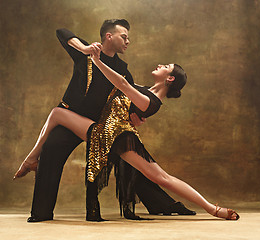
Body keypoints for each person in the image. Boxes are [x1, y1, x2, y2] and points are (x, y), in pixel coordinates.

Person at [16, 44, 240, 221]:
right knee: (57, 113)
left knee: (163, 178)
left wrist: (96, 60)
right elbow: (124, 98)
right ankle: (32, 159)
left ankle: (213, 208)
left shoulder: (152, 101)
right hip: (109, 132)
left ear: (170, 78)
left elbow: (122, 84)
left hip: (115, 136)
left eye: (166, 66)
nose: (161, 64)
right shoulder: (145, 91)